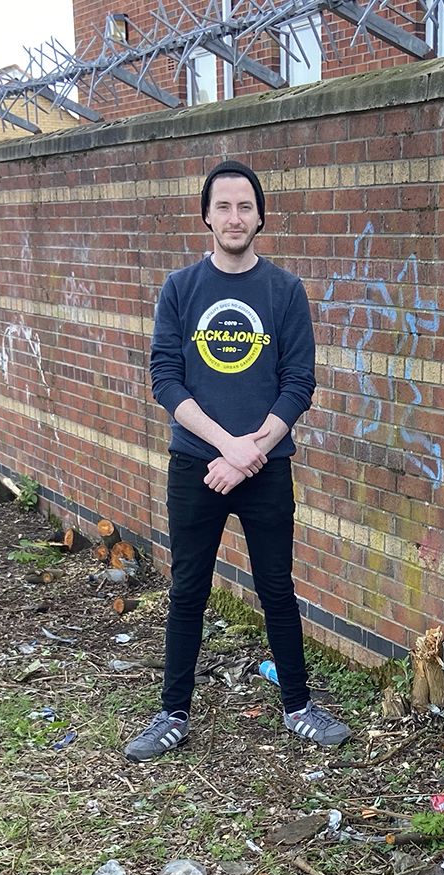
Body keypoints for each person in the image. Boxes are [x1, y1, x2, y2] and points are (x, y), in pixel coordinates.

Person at [125, 159, 349, 762]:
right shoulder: (181, 289)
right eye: (222, 206)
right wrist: (229, 446)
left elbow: (298, 384)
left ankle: (298, 704)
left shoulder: (284, 291)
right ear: (206, 216)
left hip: (266, 467)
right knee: (188, 589)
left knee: (277, 588)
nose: (234, 217)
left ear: (260, 216)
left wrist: (253, 452)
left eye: (244, 206)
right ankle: (173, 712)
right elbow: (165, 380)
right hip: (197, 465)